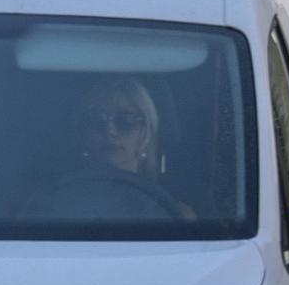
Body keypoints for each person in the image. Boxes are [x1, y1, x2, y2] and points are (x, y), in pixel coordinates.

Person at [32, 76, 193, 220]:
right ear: (83, 134)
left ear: (146, 133)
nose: (110, 131)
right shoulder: (44, 207)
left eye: (125, 121)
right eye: (97, 120)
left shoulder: (178, 216)